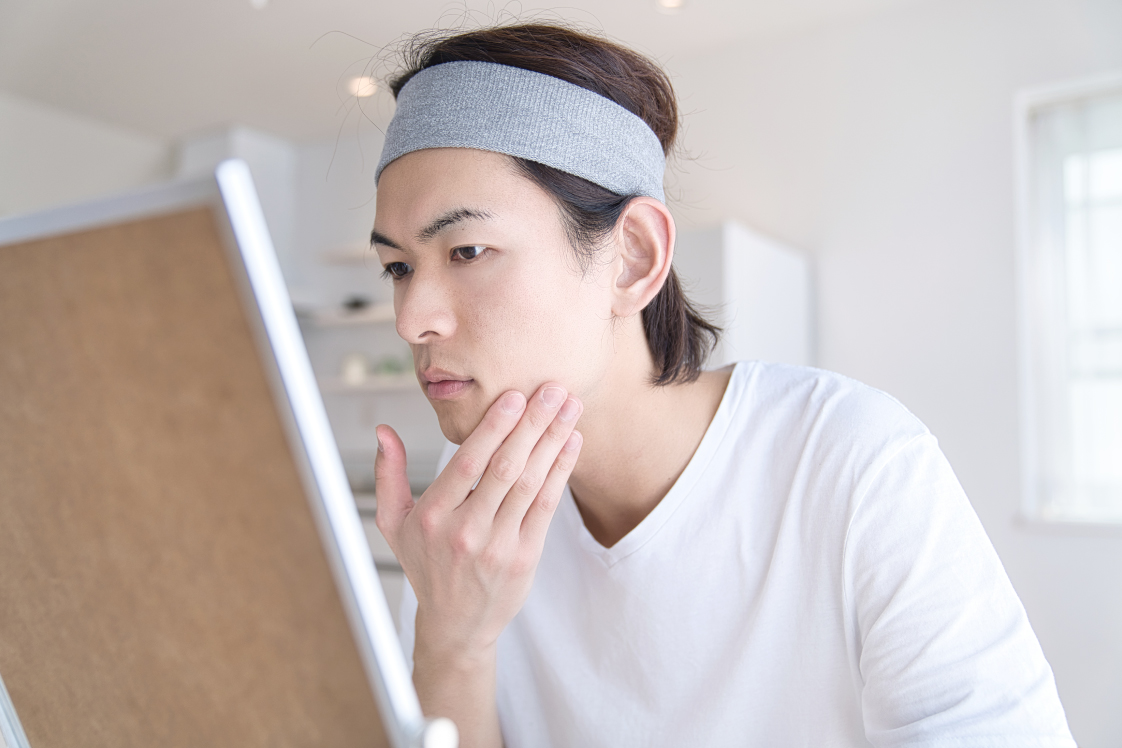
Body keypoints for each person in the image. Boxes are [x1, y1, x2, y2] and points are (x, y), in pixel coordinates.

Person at [369, 23, 1075, 748]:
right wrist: (452, 645)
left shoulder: (852, 462)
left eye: (468, 250)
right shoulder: (465, 523)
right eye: (398, 267)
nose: (411, 319)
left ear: (633, 257)